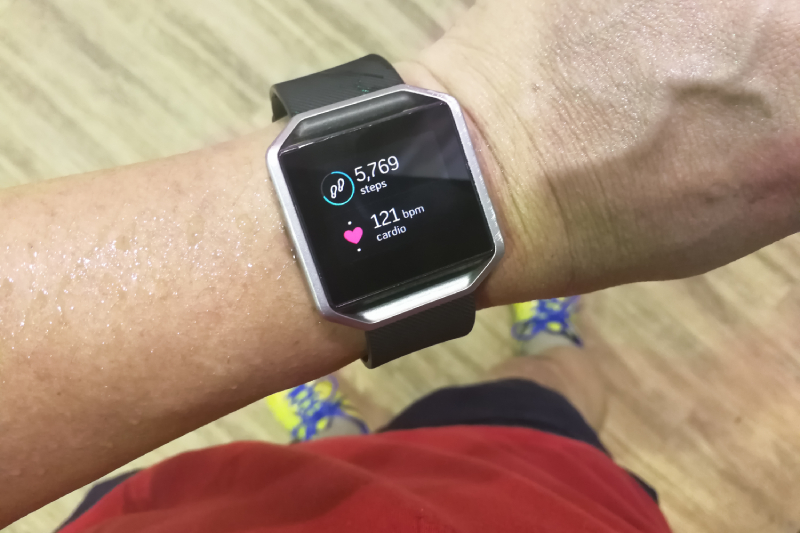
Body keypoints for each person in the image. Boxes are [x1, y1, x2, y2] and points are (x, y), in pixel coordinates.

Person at [0, 0, 797, 530]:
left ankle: (331, 427)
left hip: (197, 516)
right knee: (545, 399)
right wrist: (507, 149)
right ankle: (546, 347)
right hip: (528, 506)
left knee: (283, 477)